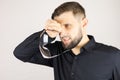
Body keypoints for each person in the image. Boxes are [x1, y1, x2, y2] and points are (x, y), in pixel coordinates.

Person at [13, 1, 120, 80]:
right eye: (58, 27)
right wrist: (47, 34)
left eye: (67, 25)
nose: (62, 33)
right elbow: (21, 53)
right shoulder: (56, 52)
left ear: (84, 23)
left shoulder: (113, 56)